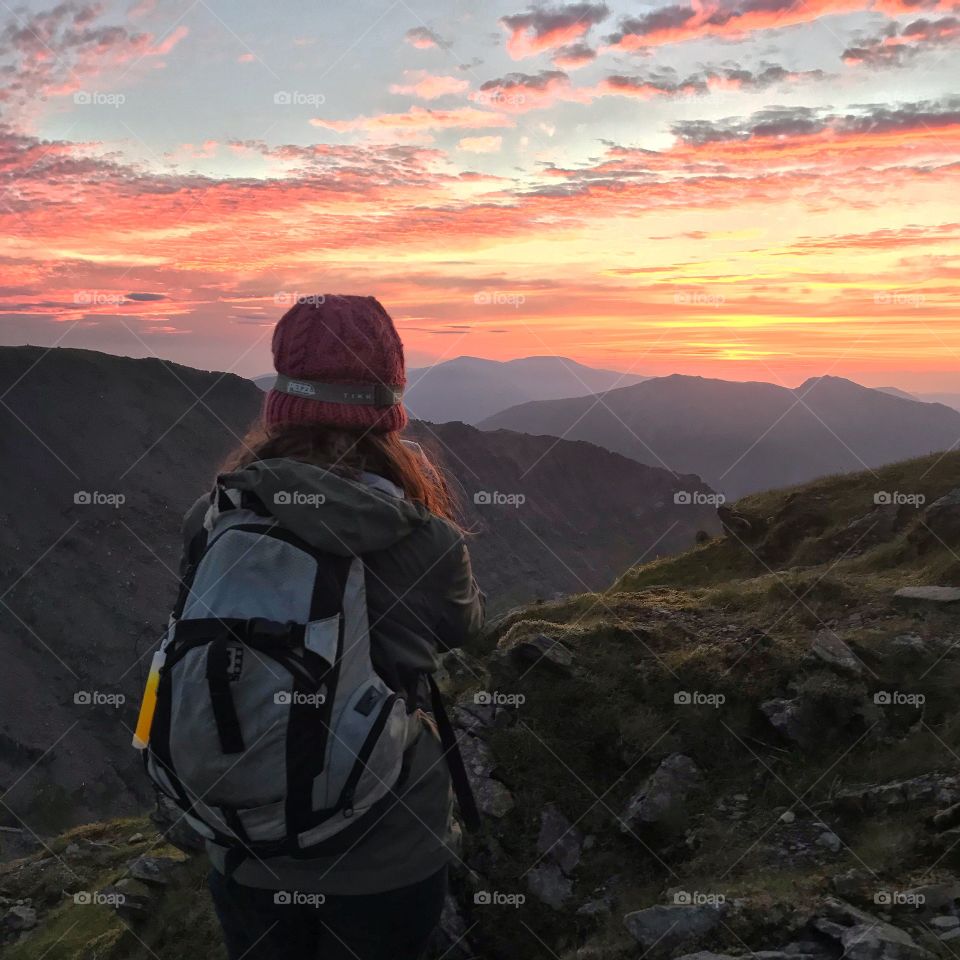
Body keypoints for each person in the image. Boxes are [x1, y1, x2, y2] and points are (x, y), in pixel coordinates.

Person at [177, 295, 484, 959]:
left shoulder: (215, 516)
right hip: (385, 850)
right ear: (389, 404)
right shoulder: (426, 540)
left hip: (246, 844)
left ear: (282, 398)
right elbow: (464, 632)